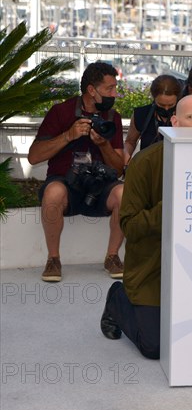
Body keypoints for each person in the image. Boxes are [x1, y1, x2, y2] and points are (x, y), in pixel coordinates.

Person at [100, 95, 192, 359]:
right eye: (191, 117)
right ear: (174, 121)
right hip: (153, 268)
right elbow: (130, 225)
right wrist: (172, 205)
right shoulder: (146, 162)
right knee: (155, 347)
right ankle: (118, 300)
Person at [27, 62, 125, 282]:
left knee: (124, 193)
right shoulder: (61, 112)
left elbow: (119, 168)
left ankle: (112, 256)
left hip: (100, 186)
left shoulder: (112, 118)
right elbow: (34, 156)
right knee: (53, 193)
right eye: (110, 89)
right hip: (65, 183)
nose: (115, 94)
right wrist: (68, 136)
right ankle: (53, 259)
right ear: (92, 90)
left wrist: (103, 145)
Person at [124, 75, 181, 163]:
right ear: (154, 98)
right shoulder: (142, 114)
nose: (166, 109)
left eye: (171, 105)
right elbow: (130, 142)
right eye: (161, 105)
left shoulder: (184, 115)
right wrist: (126, 160)